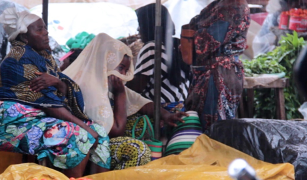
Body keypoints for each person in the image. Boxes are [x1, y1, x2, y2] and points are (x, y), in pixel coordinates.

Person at [0, 7, 110, 178]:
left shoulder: (42, 58)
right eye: (39, 29)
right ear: (24, 36)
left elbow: (59, 88)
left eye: (45, 28)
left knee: (99, 132)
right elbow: (50, 105)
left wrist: (57, 82)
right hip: (7, 126)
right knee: (77, 133)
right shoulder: (20, 59)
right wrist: (84, 127)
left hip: (35, 119)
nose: (46, 33)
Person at [64, 33, 188, 170]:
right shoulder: (89, 87)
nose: (123, 74)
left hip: (104, 139)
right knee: (137, 150)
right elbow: (116, 131)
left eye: (125, 69)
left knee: (147, 123)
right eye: (120, 68)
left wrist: (167, 115)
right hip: (91, 144)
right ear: (106, 63)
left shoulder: (106, 83)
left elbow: (142, 102)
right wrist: (120, 94)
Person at [183, 0, 250, 131]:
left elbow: (208, 43)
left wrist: (186, 40)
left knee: (213, 130)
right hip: (215, 72)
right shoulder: (220, 4)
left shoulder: (231, 5)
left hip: (217, 75)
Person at [126, 3, 191, 114]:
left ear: (149, 25)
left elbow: (135, 89)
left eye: (141, 24)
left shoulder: (152, 48)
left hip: (159, 113)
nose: (138, 29)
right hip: (182, 111)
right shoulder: (178, 45)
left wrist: (117, 85)